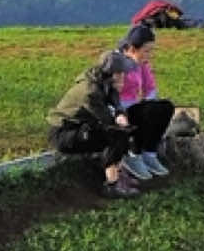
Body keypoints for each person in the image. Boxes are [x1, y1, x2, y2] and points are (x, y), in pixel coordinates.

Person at [47, 56, 141, 198]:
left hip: (81, 127)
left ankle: (119, 174)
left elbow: (114, 99)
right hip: (64, 133)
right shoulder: (90, 91)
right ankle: (112, 184)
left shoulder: (102, 82)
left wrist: (120, 113)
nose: (124, 76)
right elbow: (106, 120)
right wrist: (121, 123)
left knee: (120, 133)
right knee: (116, 135)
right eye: (120, 73)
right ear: (110, 74)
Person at [99, 22, 175, 183]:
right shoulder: (115, 62)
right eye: (146, 51)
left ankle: (149, 154)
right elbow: (108, 95)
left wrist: (152, 106)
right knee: (147, 112)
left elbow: (150, 88)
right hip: (118, 112)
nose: (149, 55)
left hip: (133, 107)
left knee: (165, 107)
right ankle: (133, 154)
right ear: (132, 49)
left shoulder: (141, 64)